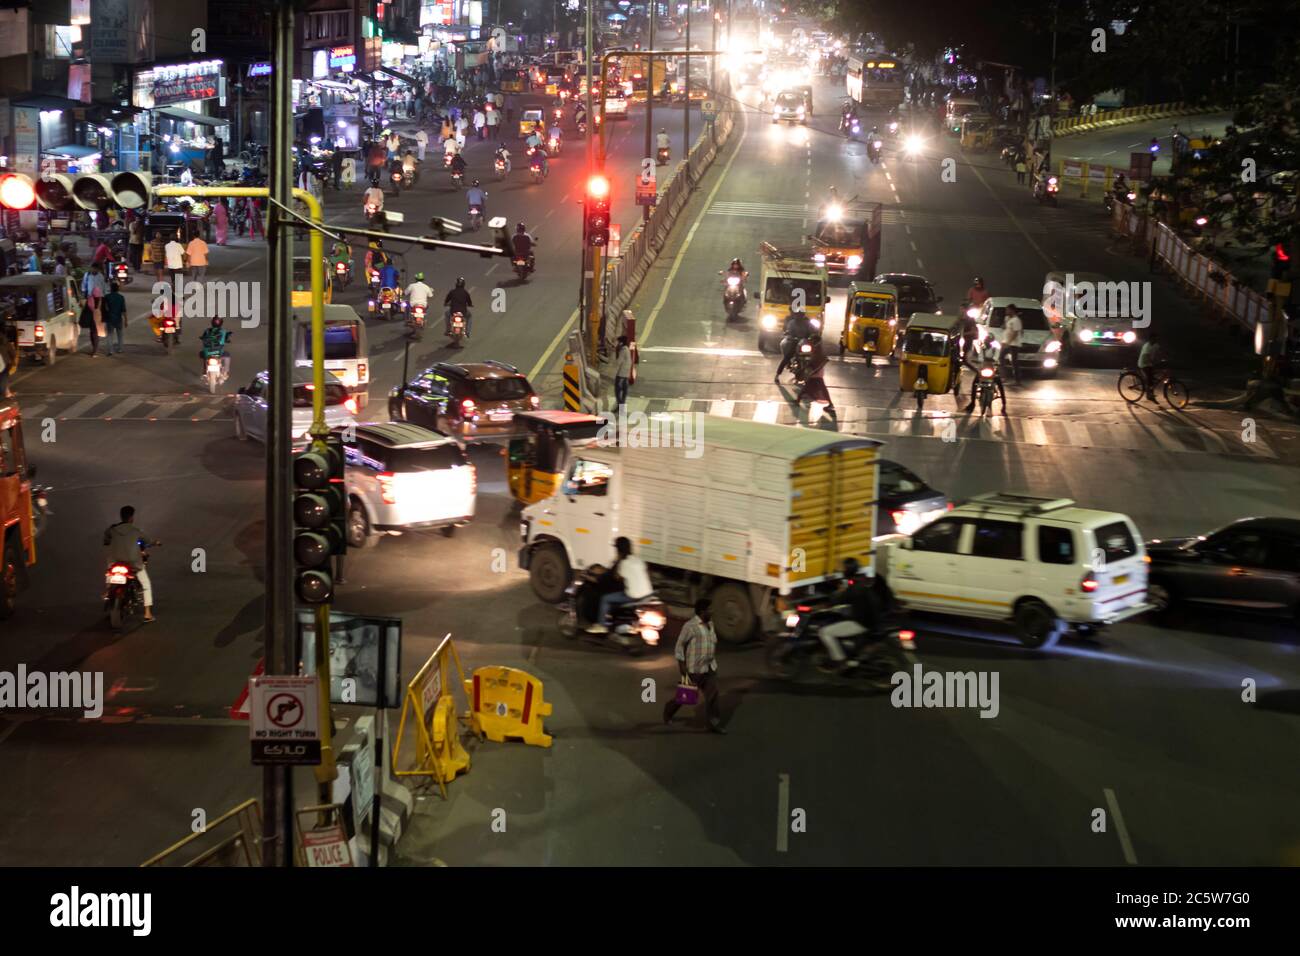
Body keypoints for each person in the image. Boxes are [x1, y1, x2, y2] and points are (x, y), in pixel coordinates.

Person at [662, 598, 724, 733]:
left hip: (709, 667)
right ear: (702, 611)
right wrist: (681, 664)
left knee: (712, 695)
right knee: (686, 697)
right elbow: (679, 645)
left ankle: (714, 724)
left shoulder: (711, 624)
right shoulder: (690, 626)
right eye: (710, 609)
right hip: (694, 669)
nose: (712, 611)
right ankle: (669, 710)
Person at [816, 559, 884, 672]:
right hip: (872, 618)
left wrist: (823, 605)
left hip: (861, 622)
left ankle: (839, 660)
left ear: (847, 570)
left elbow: (838, 599)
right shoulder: (861, 580)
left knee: (824, 632)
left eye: (842, 568)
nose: (840, 570)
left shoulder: (855, 587)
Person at [590, 537, 654, 632]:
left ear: (618, 549)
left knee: (605, 599)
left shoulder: (623, 563)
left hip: (634, 596)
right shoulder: (638, 560)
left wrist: (616, 561)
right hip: (648, 593)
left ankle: (601, 625)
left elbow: (615, 578)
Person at [104, 506, 155, 622]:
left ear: (121, 516)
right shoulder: (136, 530)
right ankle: (147, 613)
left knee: (109, 574)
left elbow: (106, 539)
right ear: (131, 518)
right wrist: (155, 542)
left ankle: (108, 592)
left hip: (115, 562)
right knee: (146, 584)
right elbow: (148, 541)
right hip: (133, 563)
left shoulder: (112, 529)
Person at [797, 333, 835, 415]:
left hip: (816, 371)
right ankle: (798, 400)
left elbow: (819, 360)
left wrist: (809, 369)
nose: (810, 341)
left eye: (812, 340)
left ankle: (798, 400)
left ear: (815, 340)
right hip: (816, 371)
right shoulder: (817, 348)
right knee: (809, 386)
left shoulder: (818, 349)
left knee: (810, 386)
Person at [775, 306, 815, 381]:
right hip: (795, 342)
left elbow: (812, 330)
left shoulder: (807, 323)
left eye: (801, 314)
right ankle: (777, 375)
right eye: (798, 314)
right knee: (787, 357)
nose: (799, 316)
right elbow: (789, 331)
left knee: (814, 356)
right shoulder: (792, 323)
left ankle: (815, 375)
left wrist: (814, 335)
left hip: (805, 343)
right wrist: (791, 336)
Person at [1000, 302, 1024, 385]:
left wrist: (1008, 343)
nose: (1006, 311)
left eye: (1007, 310)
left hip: (1013, 344)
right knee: (1001, 358)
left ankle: (1017, 380)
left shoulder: (1016, 320)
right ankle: (1004, 377)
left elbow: (1015, 333)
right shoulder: (1008, 318)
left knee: (1014, 362)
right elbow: (1005, 329)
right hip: (1007, 343)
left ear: (1012, 310)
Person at [100, 281, 127, 355]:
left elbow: (104, 308)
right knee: (120, 334)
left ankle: (110, 350)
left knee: (109, 335)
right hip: (118, 318)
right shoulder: (121, 297)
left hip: (109, 318)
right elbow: (123, 310)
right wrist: (126, 320)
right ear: (118, 289)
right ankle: (120, 349)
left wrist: (103, 318)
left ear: (111, 289)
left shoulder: (107, 297)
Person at [1137, 332, 1163, 400]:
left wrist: (1165, 356)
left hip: (1150, 363)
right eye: (1154, 338)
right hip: (1144, 364)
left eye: (1156, 338)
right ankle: (1149, 394)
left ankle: (1150, 390)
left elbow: (1160, 351)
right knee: (1150, 378)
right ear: (1151, 339)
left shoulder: (1155, 345)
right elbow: (1147, 357)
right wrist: (1153, 362)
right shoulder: (1147, 346)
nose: (1156, 340)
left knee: (1153, 376)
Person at [613, 334, 632, 407]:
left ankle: (621, 406)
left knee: (617, 391)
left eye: (618, 342)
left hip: (621, 375)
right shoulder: (627, 349)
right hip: (626, 375)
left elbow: (618, 362)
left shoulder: (623, 351)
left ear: (621, 343)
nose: (617, 343)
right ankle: (621, 407)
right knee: (624, 392)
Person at [0, 329, 15, 398]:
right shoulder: (4, 339)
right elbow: (11, 351)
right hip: (4, 361)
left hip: (4, 361)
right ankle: (7, 393)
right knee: (5, 375)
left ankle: (7, 392)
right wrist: (12, 360)